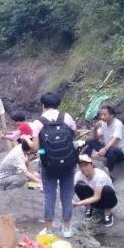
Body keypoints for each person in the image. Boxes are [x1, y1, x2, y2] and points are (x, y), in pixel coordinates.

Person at [30, 92, 79, 238]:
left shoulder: (39, 122)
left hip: (48, 164)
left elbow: (36, 147)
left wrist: (42, 151)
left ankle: (49, 229)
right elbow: (73, 137)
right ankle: (67, 228)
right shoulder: (67, 117)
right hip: (68, 163)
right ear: (58, 104)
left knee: (49, 195)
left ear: (43, 105)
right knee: (67, 195)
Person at [73, 154, 118, 227]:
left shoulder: (100, 176)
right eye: (81, 166)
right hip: (94, 200)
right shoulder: (79, 175)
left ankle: (108, 213)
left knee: (107, 190)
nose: (83, 168)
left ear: (92, 164)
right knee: (79, 186)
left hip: (107, 200)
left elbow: (96, 197)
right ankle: (89, 208)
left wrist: (78, 203)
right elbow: (72, 189)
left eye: (86, 165)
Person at [83, 105, 124, 173]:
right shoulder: (103, 123)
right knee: (89, 141)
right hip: (108, 150)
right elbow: (95, 138)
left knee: (112, 150)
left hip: (120, 152)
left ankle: (108, 174)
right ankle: (87, 163)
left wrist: (104, 150)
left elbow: (114, 139)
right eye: (101, 115)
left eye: (104, 115)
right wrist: (95, 128)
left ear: (111, 115)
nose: (102, 117)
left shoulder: (118, 124)